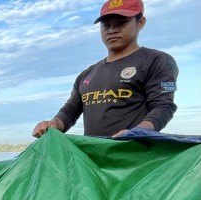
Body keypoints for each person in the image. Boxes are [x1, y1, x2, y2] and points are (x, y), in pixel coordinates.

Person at [32, 0, 178, 139]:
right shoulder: (86, 75)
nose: (112, 30)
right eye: (106, 25)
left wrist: (138, 132)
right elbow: (69, 112)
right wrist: (53, 124)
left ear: (140, 22)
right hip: (91, 159)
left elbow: (163, 106)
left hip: (134, 157)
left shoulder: (156, 61)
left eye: (121, 23)